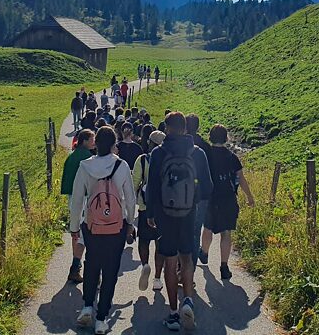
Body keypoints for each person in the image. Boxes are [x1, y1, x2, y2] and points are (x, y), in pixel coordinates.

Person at [145, 112, 213, 331]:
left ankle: (173, 314)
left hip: (165, 214)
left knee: (170, 260)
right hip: (189, 213)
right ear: (185, 129)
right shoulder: (198, 153)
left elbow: (153, 186)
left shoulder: (158, 153)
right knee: (187, 255)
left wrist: (151, 213)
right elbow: (207, 188)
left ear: (166, 129)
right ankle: (189, 300)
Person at [69, 126, 137, 334]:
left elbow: (78, 199)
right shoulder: (122, 165)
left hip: (92, 225)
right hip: (116, 226)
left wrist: (74, 227)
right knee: (110, 270)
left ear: (96, 143)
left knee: (92, 264)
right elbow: (130, 198)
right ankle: (102, 317)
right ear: (114, 145)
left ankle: (87, 305)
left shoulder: (85, 166)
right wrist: (130, 223)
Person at [199, 124, 254, 280]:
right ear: (226, 138)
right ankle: (224, 266)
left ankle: (204, 252)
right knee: (226, 233)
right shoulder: (232, 157)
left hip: (210, 197)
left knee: (208, 227)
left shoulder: (206, 154)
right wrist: (249, 197)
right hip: (228, 198)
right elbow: (241, 179)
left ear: (210, 137)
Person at [61, 129, 96, 283]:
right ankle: (78, 266)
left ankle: (76, 261)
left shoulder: (71, 156)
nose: (94, 142)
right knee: (86, 231)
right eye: (92, 139)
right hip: (85, 198)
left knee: (75, 231)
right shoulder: (88, 158)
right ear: (85, 141)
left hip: (72, 197)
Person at [133, 129, 166, 292]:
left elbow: (134, 183)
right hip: (164, 208)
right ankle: (158, 278)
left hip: (145, 206)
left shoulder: (142, 160)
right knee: (160, 244)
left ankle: (145, 265)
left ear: (150, 143)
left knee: (144, 240)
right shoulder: (168, 158)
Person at [185, 115, 210, 267]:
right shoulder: (204, 147)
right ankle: (190, 268)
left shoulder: (178, 144)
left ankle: (179, 267)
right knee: (195, 232)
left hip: (179, 194)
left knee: (180, 231)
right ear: (199, 127)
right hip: (199, 195)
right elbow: (208, 176)